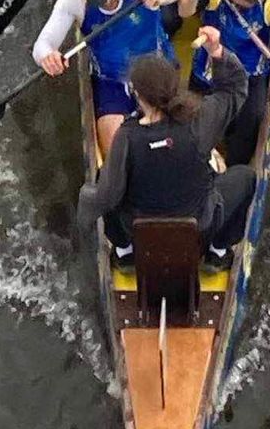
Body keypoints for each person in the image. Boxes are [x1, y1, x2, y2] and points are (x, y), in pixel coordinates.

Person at [76, 36, 255, 271]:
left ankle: (125, 253)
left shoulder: (126, 137)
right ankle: (217, 252)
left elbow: (107, 197)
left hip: (140, 232)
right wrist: (217, 51)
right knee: (245, 177)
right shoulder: (200, 121)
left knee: (102, 179)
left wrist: (84, 210)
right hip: (199, 227)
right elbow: (234, 89)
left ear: (137, 95)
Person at [34, 0, 182, 157]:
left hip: (156, 70)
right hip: (112, 80)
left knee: (176, 140)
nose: (106, 3)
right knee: (116, 152)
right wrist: (48, 57)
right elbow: (42, 45)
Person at [179, 0, 270, 169]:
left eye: (242, 5)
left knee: (248, 127)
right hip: (209, 70)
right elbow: (184, 11)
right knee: (191, 122)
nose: (234, 6)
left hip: (249, 76)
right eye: (232, 1)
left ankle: (233, 169)